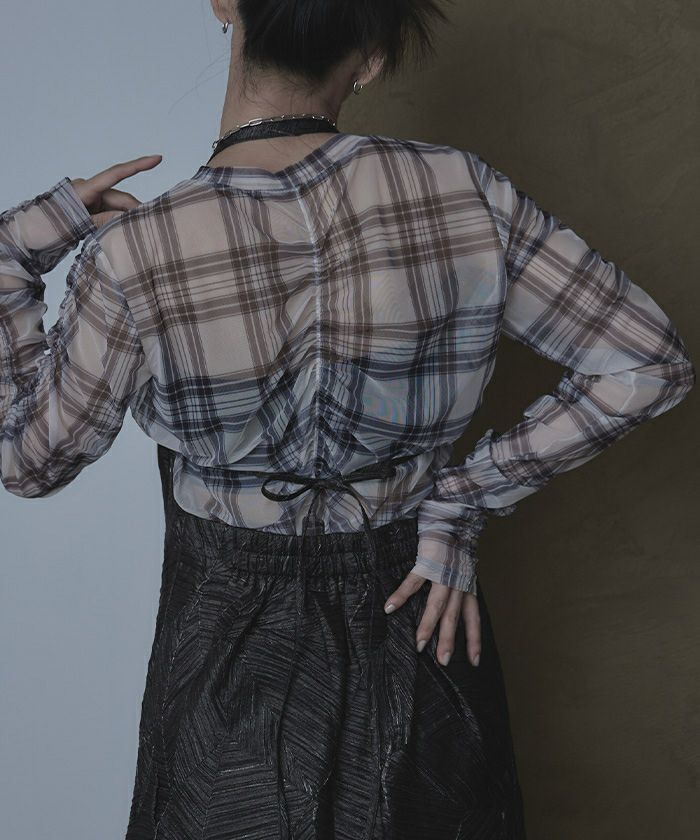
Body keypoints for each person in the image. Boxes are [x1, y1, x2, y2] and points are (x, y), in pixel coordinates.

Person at [0, 1, 694, 838]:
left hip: (225, 654)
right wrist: (463, 500)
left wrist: (14, 253)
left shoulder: (135, 252)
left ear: (224, 3)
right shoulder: (464, 191)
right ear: (371, 58)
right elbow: (647, 362)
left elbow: (31, 463)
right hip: (419, 615)